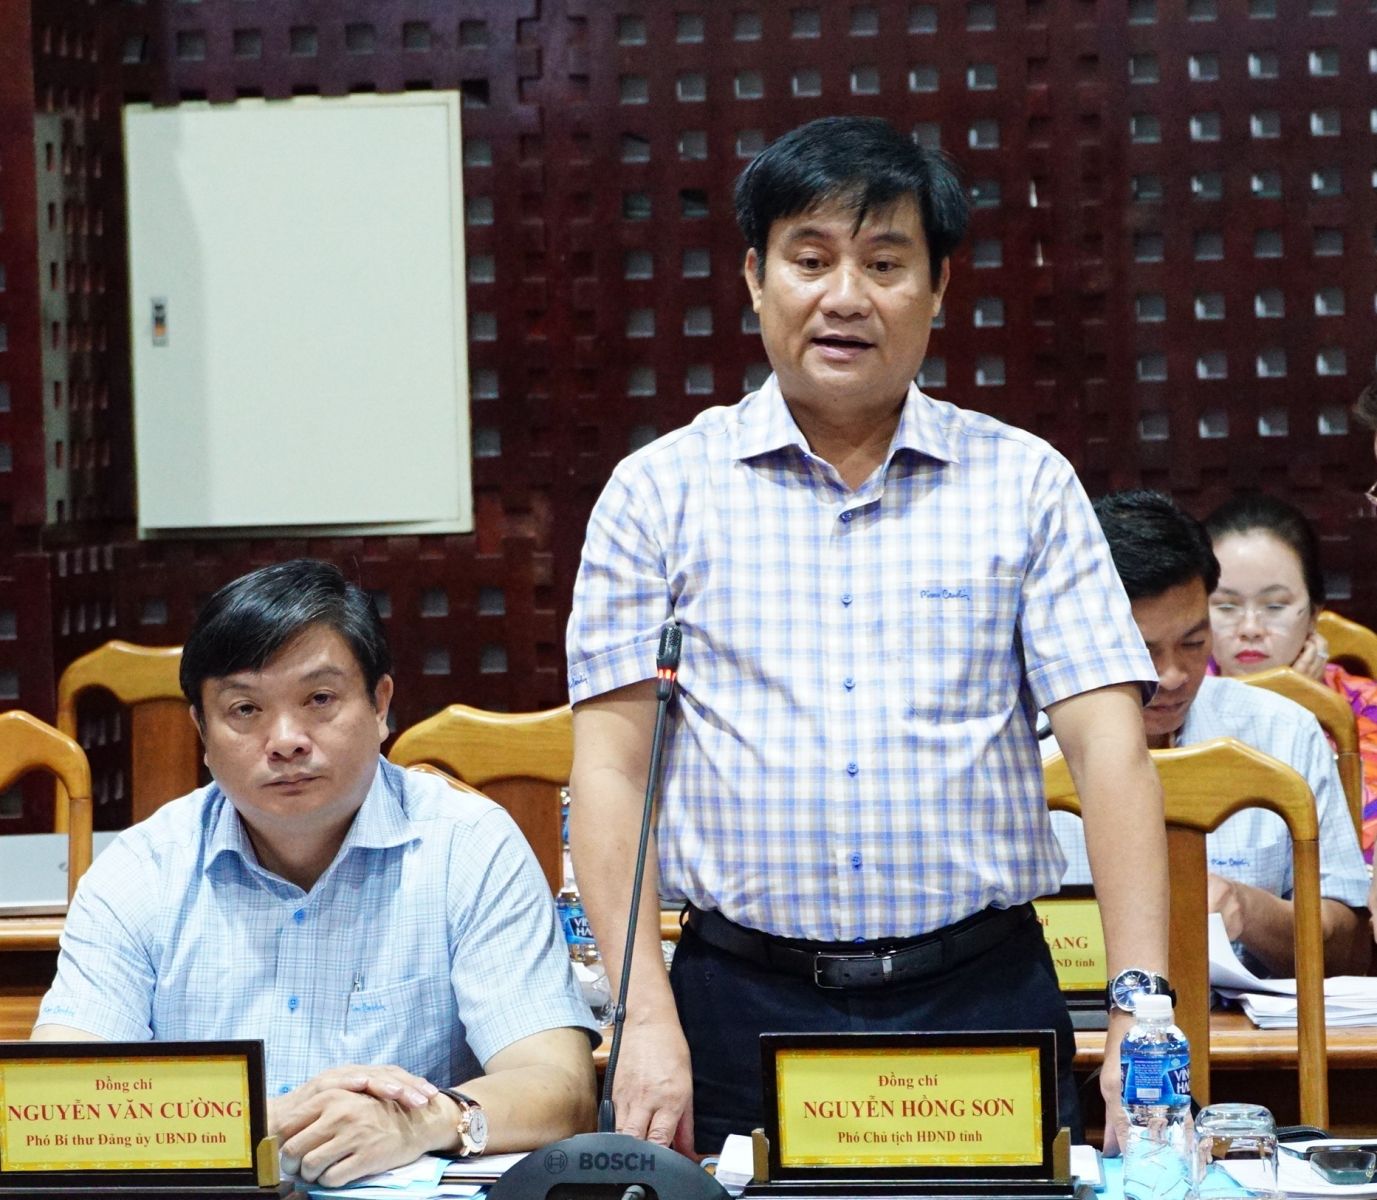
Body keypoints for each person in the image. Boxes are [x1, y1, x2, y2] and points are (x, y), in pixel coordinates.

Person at [566, 115, 1170, 1157]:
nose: (845, 296)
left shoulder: (1025, 484)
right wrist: (643, 1016)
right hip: (733, 1003)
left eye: (885, 264)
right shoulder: (656, 494)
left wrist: (1138, 1010)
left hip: (978, 997)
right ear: (754, 278)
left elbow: (1110, 756)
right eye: (810, 260)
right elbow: (613, 773)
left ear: (937, 290)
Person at [34, 559, 598, 1186]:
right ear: (202, 732)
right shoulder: (141, 870)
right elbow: (53, 1107)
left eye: (320, 699)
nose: (286, 740)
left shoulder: (467, 846)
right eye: (245, 709)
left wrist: (423, 1121)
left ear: (380, 705)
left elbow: (562, 1088)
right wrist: (263, 1124)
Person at [1047, 492, 1371, 978]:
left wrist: (1250, 911)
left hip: (1249, 1024)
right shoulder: (1026, 749)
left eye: (1194, 643)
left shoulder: (1282, 732)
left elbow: (1352, 952)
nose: (1173, 675)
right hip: (1078, 1023)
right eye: (1142, 651)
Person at [1203, 492, 1377, 864]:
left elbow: (1360, 851)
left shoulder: (1366, 707)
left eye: (1275, 605)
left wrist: (1302, 713)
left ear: (1314, 613)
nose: (1250, 628)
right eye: (1226, 606)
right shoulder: (1170, 703)